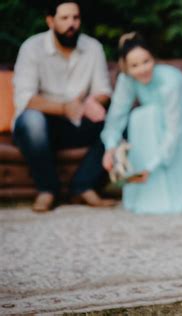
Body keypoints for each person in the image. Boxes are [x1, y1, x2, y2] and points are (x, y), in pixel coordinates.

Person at [101, 32, 182, 214]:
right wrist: (110, 148)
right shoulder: (126, 80)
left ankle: (159, 183)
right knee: (142, 115)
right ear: (125, 67)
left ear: (153, 58)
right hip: (158, 120)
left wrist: (152, 165)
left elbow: (174, 129)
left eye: (146, 61)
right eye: (134, 65)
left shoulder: (169, 82)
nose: (142, 69)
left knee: (147, 115)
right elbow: (116, 117)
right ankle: (146, 189)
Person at [13, 0, 116, 212]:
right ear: (50, 21)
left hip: (78, 121)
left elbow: (104, 91)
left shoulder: (93, 47)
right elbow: (25, 98)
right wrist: (64, 108)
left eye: (76, 18)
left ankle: (83, 187)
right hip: (43, 125)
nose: (72, 24)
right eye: (65, 18)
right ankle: (48, 190)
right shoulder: (31, 48)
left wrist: (91, 102)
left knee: (122, 120)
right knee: (32, 121)